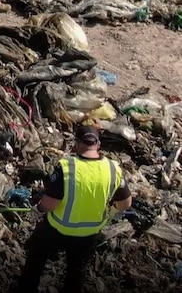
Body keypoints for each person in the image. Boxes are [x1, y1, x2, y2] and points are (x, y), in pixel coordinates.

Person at [14, 125, 133, 293]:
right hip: (89, 234)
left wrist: (38, 209)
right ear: (98, 144)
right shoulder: (113, 169)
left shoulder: (67, 167)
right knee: (76, 271)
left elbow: (51, 203)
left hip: (58, 228)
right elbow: (126, 203)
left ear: (77, 143)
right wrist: (109, 213)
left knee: (36, 258)